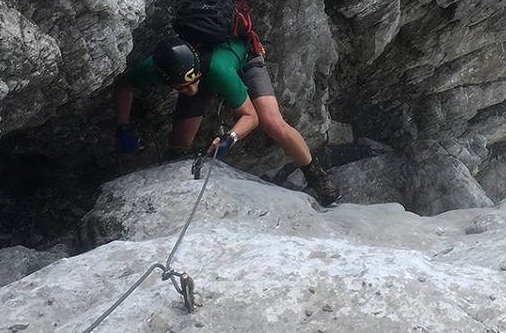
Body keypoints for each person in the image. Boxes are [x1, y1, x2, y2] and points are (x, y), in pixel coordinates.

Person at [111, 34, 341, 205]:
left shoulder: (217, 71)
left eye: (194, 81)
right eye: (184, 85)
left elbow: (251, 117)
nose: (192, 88)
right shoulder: (154, 68)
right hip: (207, 72)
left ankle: (314, 173)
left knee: (272, 122)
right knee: (180, 142)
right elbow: (123, 86)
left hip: (243, 61)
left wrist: (229, 138)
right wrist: (123, 127)